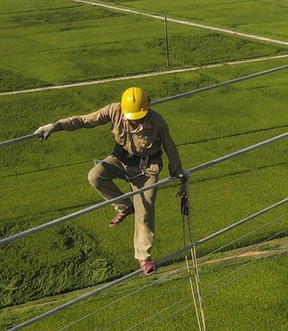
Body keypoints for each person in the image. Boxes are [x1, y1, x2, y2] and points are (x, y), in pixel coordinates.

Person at [34, 86, 187, 275]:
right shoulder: (113, 111)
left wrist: (178, 172)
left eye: (138, 117)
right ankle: (124, 206)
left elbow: (170, 147)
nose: (134, 121)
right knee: (95, 176)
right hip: (121, 160)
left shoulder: (157, 122)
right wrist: (54, 126)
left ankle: (144, 258)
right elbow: (83, 120)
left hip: (146, 169)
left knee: (145, 212)